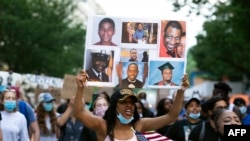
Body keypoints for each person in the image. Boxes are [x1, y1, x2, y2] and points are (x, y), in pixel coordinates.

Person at [73, 70, 189, 141]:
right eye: (124, 102)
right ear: (114, 106)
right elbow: (78, 113)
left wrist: (180, 92)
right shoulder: (103, 126)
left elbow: (171, 117)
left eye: (132, 103)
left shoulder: (139, 125)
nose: (129, 106)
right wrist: (80, 88)